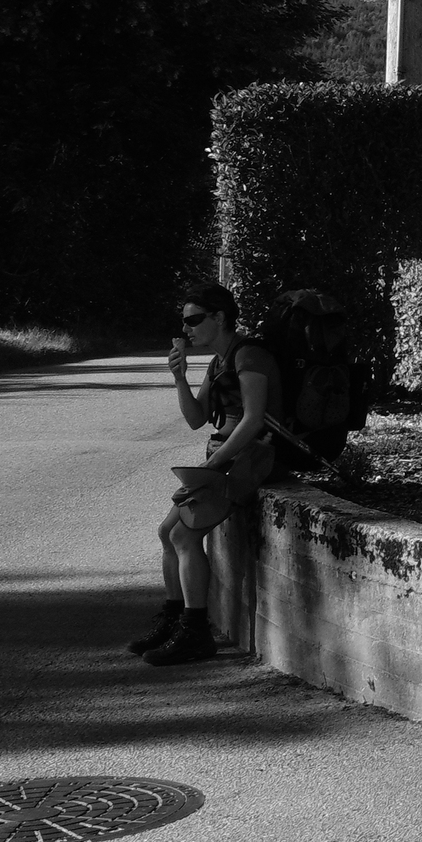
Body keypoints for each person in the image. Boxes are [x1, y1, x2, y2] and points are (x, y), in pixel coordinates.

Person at [128, 284, 276, 666]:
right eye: (184, 321)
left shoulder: (249, 356)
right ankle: (175, 618)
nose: (186, 328)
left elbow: (253, 419)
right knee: (167, 531)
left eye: (193, 320)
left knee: (184, 535)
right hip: (226, 459)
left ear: (219, 318)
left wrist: (214, 464)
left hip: (250, 459)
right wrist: (179, 377)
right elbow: (196, 418)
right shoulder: (219, 361)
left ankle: (195, 633)